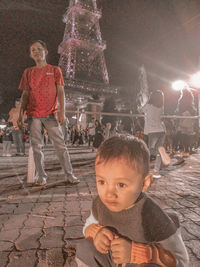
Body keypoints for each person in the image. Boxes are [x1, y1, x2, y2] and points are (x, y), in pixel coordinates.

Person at [75, 135, 189, 267]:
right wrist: (95, 232)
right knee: (85, 247)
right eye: (102, 182)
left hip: (139, 262)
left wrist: (139, 253)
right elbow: (88, 225)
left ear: (144, 184)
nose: (109, 193)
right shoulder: (100, 204)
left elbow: (181, 259)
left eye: (121, 185)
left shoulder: (152, 216)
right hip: (113, 259)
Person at [17, 40, 80, 186]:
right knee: (37, 148)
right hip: (33, 115)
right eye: (33, 50)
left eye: (39, 49)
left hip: (51, 114)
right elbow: (25, 95)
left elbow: (60, 91)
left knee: (60, 146)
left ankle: (69, 174)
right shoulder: (28, 72)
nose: (36, 51)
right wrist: (20, 115)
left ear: (46, 52)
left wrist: (62, 112)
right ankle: (41, 176)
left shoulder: (55, 70)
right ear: (31, 54)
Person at [139, 90, 170, 179]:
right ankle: (156, 171)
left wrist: (144, 103)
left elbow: (140, 111)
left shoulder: (148, 106)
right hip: (161, 130)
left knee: (149, 150)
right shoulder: (161, 107)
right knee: (158, 152)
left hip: (152, 131)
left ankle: (145, 170)